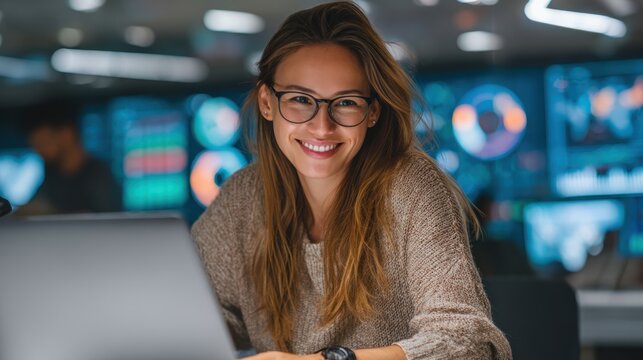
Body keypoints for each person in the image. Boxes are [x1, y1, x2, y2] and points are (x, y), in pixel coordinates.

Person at [191, 2, 511, 359]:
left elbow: (468, 343)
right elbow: (191, 317)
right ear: (267, 102)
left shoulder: (410, 188)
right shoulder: (243, 197)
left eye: (345, 103)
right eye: (299, 99)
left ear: (372, 112)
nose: (322, 126)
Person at [19, 100, 122, 215]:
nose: (39, 150)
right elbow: (33, 206)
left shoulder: (99, 174)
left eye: (43, 142)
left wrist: (50, 213)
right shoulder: (53, 175)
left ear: (67, 134)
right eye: (35, 145)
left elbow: (105, 221)